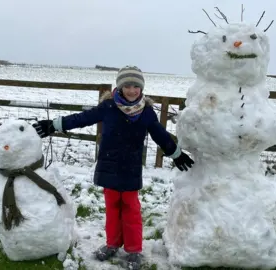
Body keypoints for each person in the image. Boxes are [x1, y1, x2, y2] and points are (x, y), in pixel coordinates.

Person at [32, 65, 194, 269]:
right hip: (108, 165)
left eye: (136, 86)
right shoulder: (108, 107)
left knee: (131, 209)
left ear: (141, 88)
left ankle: (134, 250)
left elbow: (160, 135)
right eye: (127, 85)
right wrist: (54, 125)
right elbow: (82, 119)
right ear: (120, 86)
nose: (132, 90)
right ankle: (112, 243)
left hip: (130, 168)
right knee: (112, 208)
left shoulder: (146, 112)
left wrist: (176, 153)